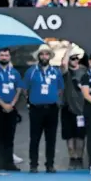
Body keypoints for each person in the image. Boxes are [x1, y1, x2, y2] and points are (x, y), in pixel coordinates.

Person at [24, 44, 64, 173]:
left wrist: (53, 98)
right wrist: (31, 100)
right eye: (42, 54)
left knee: (51, 138)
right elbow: (25, 89)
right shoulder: (31, 71)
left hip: (52, 109)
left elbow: (60, 89)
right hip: (36, 109)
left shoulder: (56, 71)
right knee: (34, 137)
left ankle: (50, 165)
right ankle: (33, 164)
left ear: (50, 56)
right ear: (38, 56)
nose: (44, 56)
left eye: (47, 54)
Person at [0, 48, 22, 171]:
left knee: (9, 137)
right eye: (2, 55)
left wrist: (11, 104)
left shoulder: (14, 72)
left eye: (6, 55)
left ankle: (9, 163)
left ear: (9, 57)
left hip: (11, 108)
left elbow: (19, 89)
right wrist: (3, 104)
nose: (4, 57)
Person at [60, 43, 87, 170]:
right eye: (72, 58)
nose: (75, 60)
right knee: (69, 137)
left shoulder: (84, 71)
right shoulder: (66, 72)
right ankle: (72, 159)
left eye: (77, 58)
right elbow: (64, 64)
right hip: (67, 108)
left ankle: (80, 160)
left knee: (80, 136)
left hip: (81, 109)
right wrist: (69, 49)